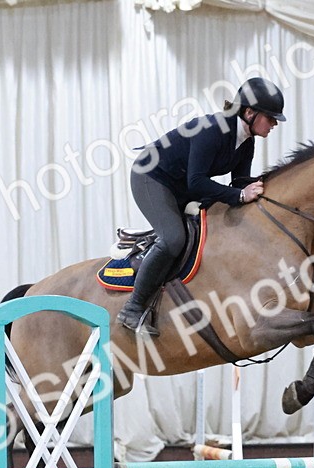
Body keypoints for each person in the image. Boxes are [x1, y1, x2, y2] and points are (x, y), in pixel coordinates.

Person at [117, 77, 286, 336]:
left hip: (179, 185)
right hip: (151, 176)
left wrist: (269, 186)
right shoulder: (212, 130)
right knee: (174, 238)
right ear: (250, 113)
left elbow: (239, 182)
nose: (274, 123)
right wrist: (241, 195)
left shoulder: (246, 142)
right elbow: (198, 182)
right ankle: (132, 308)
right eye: (271, 117)